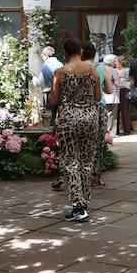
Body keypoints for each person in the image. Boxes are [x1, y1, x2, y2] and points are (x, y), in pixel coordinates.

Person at [48, 37, 101, 223]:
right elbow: (98, 96)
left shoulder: (60, 73)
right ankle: (84, 201)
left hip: (68, 118)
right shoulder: (93, 71)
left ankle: (78, 205)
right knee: (87, 159)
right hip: (89, 117)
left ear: (64, 53)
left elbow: (53, 101)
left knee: (71, 161)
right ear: (80, 52)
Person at [83, 42, 111, 186]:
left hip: (83, 108)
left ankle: (81, 175)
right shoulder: (101, 68)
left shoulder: (77, 69)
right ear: (94, 54)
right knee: (98, 143)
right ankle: (95, 177)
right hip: (99, 107)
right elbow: (110, 90)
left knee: (83, 142)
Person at [41, 45, 63, 126]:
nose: (42, 57)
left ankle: (50, 135)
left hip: (50, 92)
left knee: (50, 116)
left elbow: (40, 82)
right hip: (61, 92)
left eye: (42, 55)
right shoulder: (60, 64)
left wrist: (35, 79)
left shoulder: (45, 66)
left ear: (45, 55)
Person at [113, 56, 132, 135]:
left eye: (116, 61)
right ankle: (116, 130)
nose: (115, 63)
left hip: (125, 90)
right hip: (116, 91)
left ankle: (127, 129)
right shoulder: (113, 70)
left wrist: (129, 85)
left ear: (120, 62)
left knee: (125, 110)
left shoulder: (127, 70)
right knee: (116, 110)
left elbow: (131, 79)